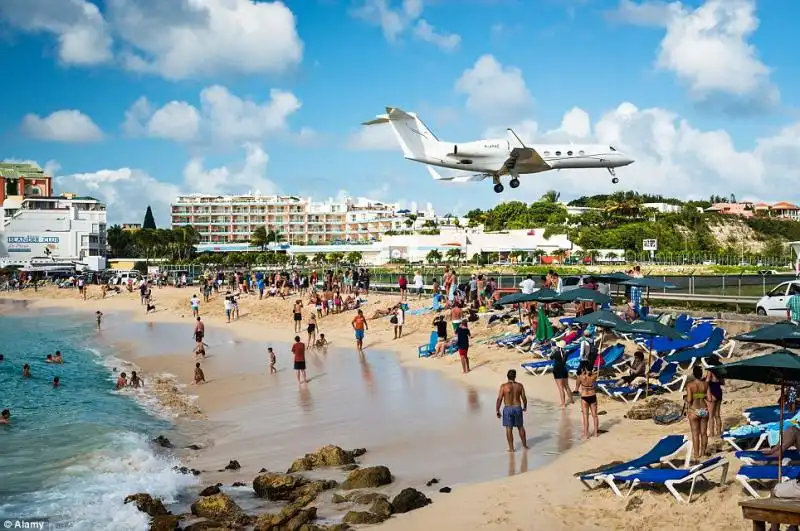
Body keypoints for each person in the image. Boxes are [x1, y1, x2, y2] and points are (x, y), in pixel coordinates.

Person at [495, 370, 528, 452]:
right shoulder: (520, 386)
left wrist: (497, 410)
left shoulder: (504, 386)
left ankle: (511, 448)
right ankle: (524, 445)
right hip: (517, 407)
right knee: (520, 427)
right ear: (515, 376)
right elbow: (524, 398)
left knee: (509, 428)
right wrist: (525, 406)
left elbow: (499, 398)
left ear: (507, 376)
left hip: (508, 408)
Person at [685, 365, 710, 462]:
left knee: (695, 434)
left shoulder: (690, 385)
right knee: (703, 433)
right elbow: (709, 398)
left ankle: (696, 455)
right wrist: (700, 395)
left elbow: (690, 399)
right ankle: (703, 453)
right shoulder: (705, 384)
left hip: (694, 410)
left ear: (693, 374)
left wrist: (686, 398)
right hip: (704, 409)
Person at [576, 362, 599, 439]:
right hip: (592, 395)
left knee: (585, 417)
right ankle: (595, 433)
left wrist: (582, 372)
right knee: (595, 415)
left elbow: (577, 387)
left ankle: (586, 434)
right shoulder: (594, 376)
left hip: (584, 396)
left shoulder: (580, 377)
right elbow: (595, 376)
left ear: (585, 369)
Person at [705, 355, 724, 437]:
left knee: (711, 416)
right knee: (717, 415)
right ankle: (719, 432)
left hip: (712, 392)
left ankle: (712, 433)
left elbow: (707, 381)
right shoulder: (720, 370)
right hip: (719, 391)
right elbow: (723, 382)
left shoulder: (711, 370)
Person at [550, 341, 573, 408]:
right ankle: (571, 400)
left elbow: (550, 357)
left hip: (557, 370)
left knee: (560, 388)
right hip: (564, 369)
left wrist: (553, 350)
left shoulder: (556, 353)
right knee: (566, 386)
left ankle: (563, 404)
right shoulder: (566, 353)